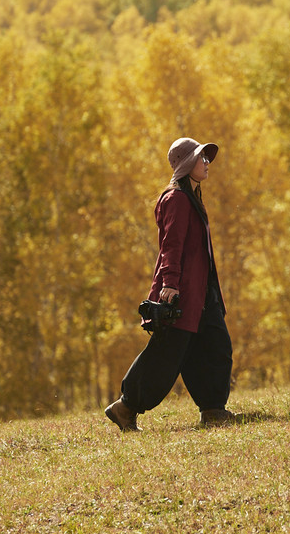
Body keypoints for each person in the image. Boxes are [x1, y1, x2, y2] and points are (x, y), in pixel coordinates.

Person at [105, 137, 236, 432]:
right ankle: (125, 407)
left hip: (203, 293)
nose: (206, 163)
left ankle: (213, 410)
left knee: (216, 347)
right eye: (201, 158)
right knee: (164, 358)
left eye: (206, 158)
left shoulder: (191, 196)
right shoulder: (175, 198)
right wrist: (170, 284)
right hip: (181, 293)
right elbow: (171, 246)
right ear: (186, 164)